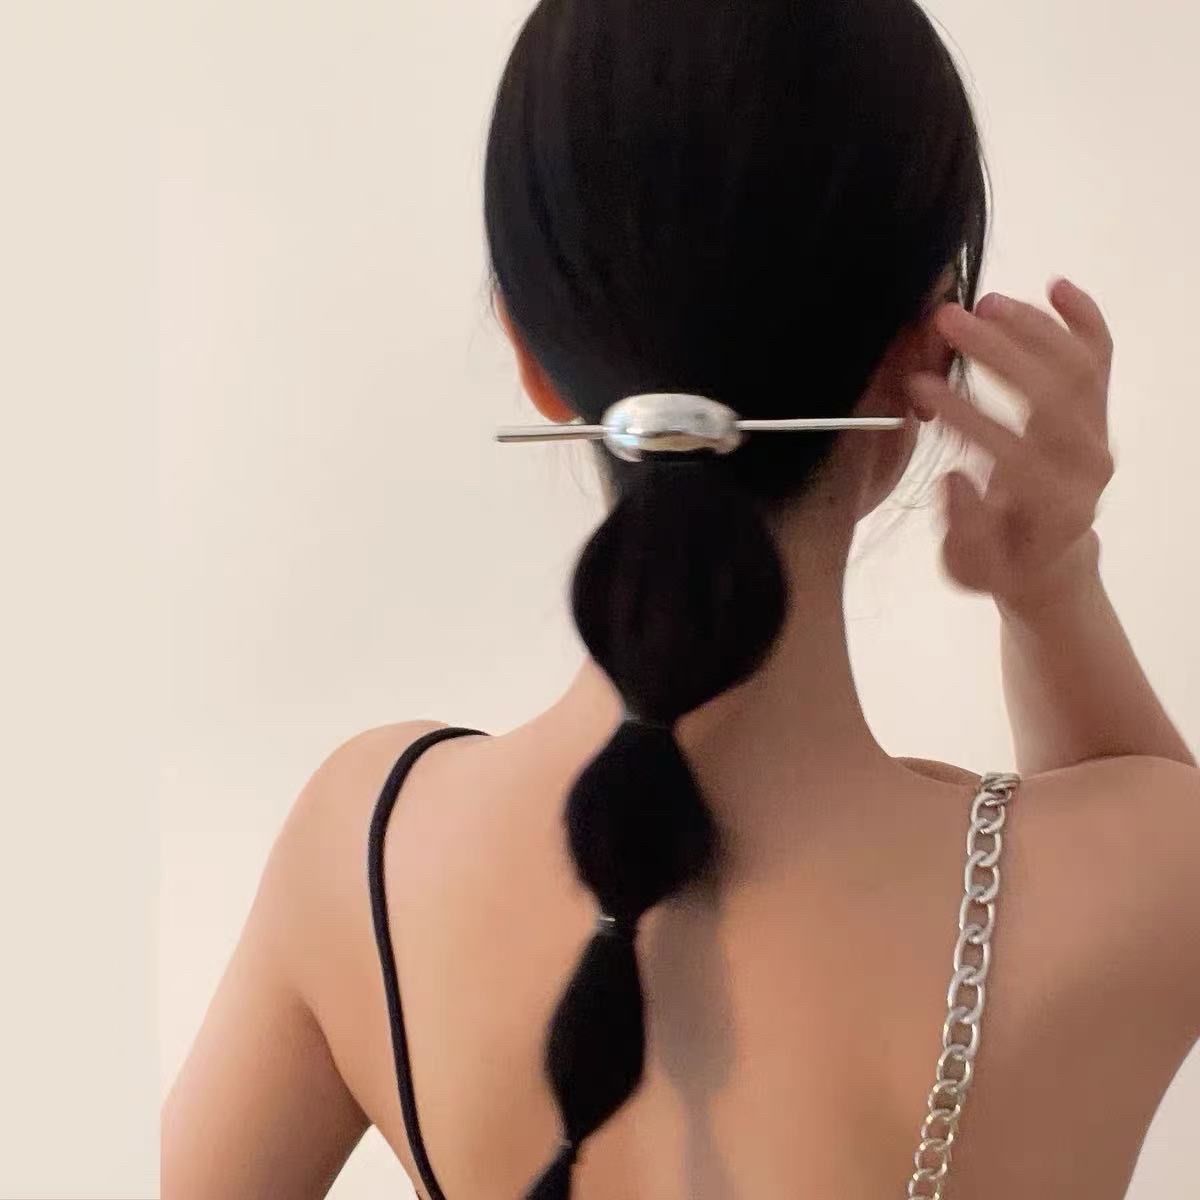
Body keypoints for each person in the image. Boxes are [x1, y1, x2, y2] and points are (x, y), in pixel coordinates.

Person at [162, 1, 1200, 1197]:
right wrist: (1052, 585)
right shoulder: (1135, 877)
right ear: (925, 358)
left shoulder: (367, 844)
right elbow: (1137, 817)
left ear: (533, 356)